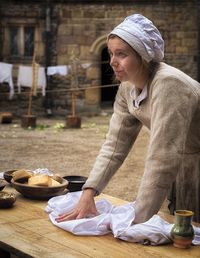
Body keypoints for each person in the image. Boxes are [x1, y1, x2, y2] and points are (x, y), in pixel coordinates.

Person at [56, 14, 200, 224]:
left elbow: (162, 157)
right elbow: (114, 145)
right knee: (184, 234)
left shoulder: (169, 84)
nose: (113, 62)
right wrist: (88, 193)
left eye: (121, 54)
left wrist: (135, 221)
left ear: (142, 55)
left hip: (192, 162)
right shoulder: (127, 88)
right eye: (111, 54)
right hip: (184, 164)